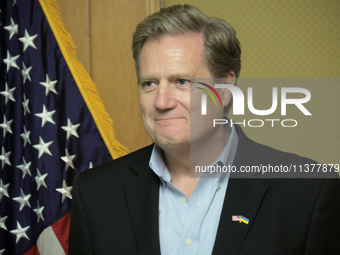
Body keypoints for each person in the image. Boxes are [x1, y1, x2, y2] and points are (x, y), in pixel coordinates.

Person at [69, 4, 340, 255]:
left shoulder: (308, 190)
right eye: (149, 83)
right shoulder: (96, 194)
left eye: (182, 81)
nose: (161, 102)